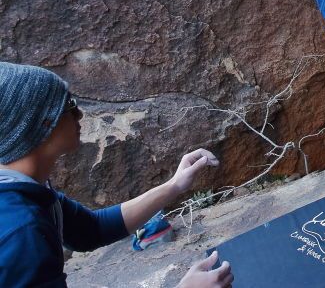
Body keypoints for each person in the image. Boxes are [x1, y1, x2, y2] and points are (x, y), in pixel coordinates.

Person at [0, 62, 233, 288]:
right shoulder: (22, 233)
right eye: (69, 105)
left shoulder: (22, 188)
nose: (79, 114)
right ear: (42, 123)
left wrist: (174, 185)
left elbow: (91, 230)